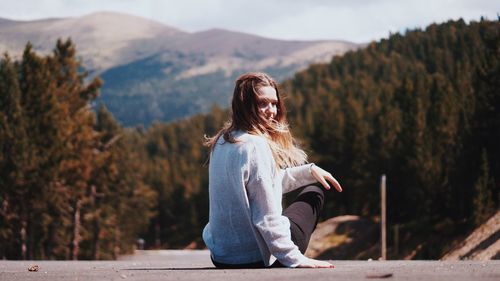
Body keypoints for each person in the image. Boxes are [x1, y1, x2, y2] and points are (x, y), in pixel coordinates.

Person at [202, 72, 343, 269]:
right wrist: (295, 259)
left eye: (275, 103)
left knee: (310, 186)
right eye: (263, 103)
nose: (272, 111)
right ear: (245, 105)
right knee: (314, 192)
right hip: (254, 257)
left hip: (222, 256)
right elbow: (266, 216)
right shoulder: (255, 145)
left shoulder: (222, 141)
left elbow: (258, 185)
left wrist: (308, 171)